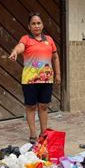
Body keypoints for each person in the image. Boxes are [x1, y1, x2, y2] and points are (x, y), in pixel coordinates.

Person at [9, 12, 61, 144]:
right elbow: (20, 47)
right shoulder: (26, 39)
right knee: (31, 107)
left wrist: (58, 74)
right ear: (29, 26)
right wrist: (15, 52)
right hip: (30, 80)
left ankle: (43, 134)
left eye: (38, 23)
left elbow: (55, 57)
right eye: (33, 23)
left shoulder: (49, 40)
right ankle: (33, 134)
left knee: (43, 106)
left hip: (46, 79)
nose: (36, 26)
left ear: (42, 25)